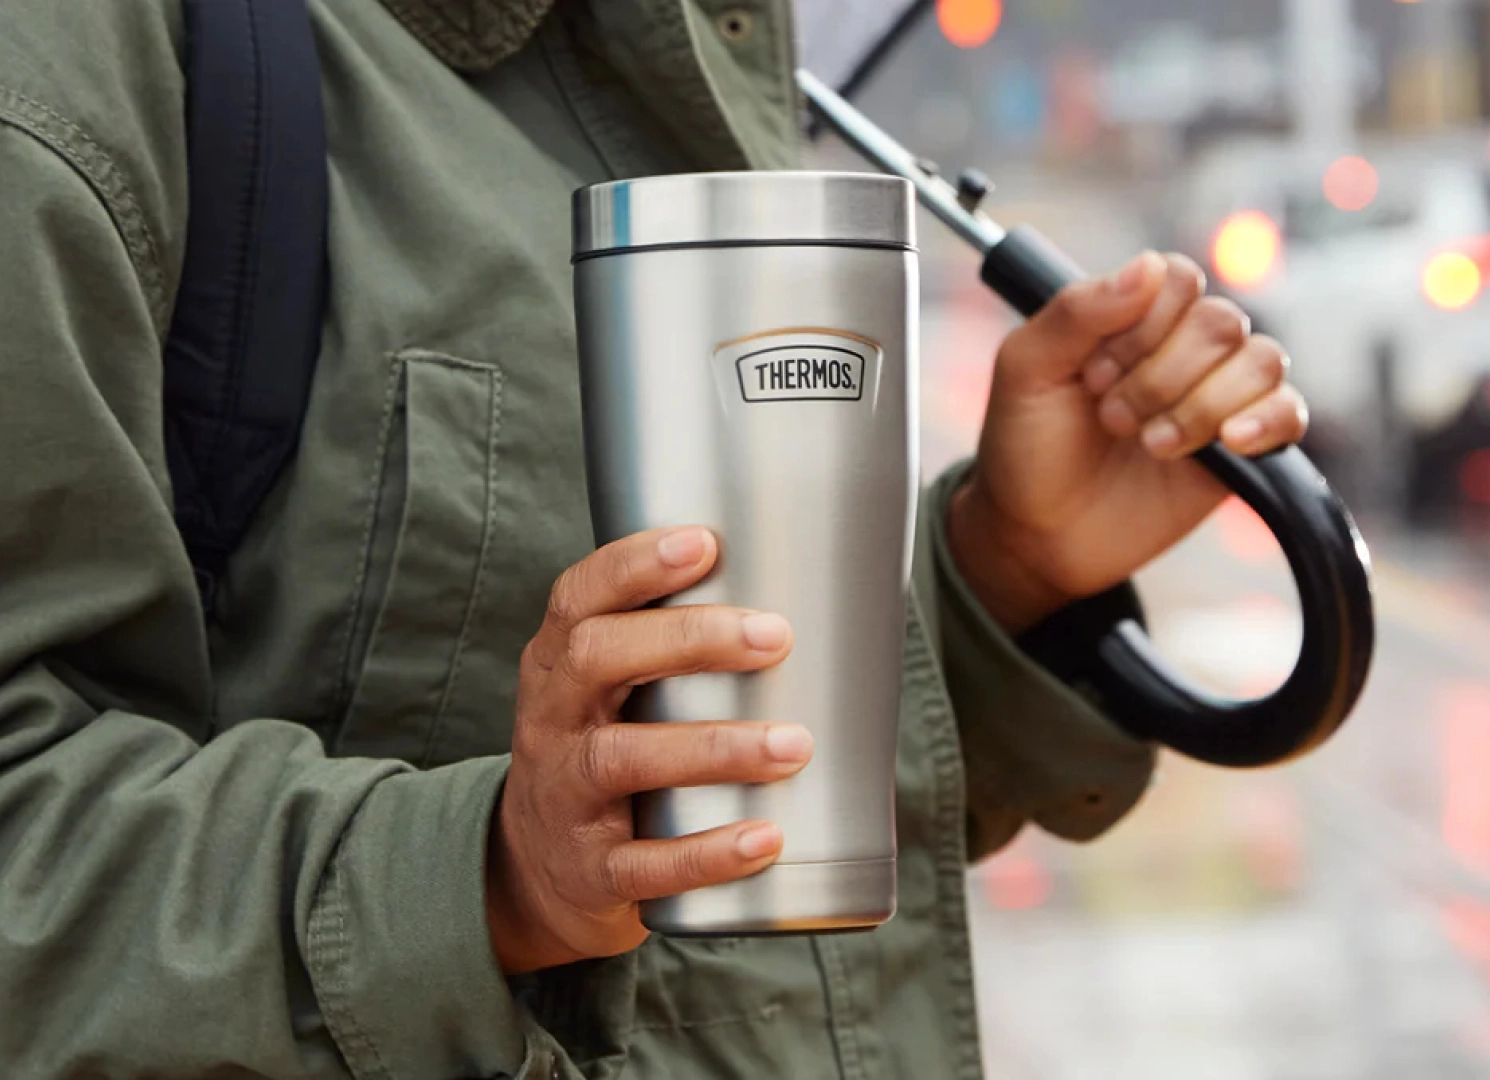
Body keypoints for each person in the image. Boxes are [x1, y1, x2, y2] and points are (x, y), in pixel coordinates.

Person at [0, 1, 1306, 1077]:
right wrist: (497, 877)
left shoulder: (696, 58)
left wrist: (996, 572)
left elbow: (729, 862)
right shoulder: (83, 66)